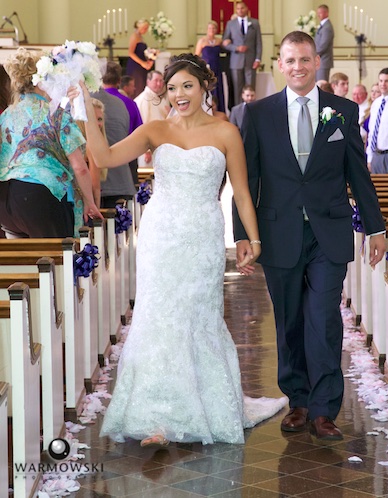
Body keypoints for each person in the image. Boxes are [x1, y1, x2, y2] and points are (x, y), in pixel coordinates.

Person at [70, 53, 287, 446]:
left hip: (202, 235)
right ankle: (156, 417)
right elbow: (103, 158)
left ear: (205, 86)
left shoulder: (226, 133)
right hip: (160, 234)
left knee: (196, 316)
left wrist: (252, 241)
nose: (179, 94)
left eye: (187, 85)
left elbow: (241, 193)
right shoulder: (155, 129)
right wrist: (87, 106)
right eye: (171, 88)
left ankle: (200, 405)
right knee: (157, 316)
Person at [233, 31, 386, 440]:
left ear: (316, 62)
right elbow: (246, 180)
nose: (298, 67)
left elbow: (358, 173)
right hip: (277, 230)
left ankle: (323, 409)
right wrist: (241, 236)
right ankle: (297, 400)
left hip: (328, 231)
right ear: (279, 65)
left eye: (305, 59)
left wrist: (375, 227)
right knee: (289, 321)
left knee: (323, 317)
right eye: (290, 60)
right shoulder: (259, 113)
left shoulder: (342, 110)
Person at [0, 48, 102, 238]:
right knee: (59, 261)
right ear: (41, 81)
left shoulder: (6, 115)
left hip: (6, 201)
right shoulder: (55, 113)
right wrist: (90, 202)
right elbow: (80, 167)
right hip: (41, 194)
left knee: (23, 264)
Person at [102, 61, 143, 185]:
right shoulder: (130, 103)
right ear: (119, 80)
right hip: (126, 161)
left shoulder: (92, 101)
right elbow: (139, 133)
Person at [223, 1, 262, 107]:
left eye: (242, 8)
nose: (240, 10)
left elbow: (258, 42)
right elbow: (225, 42)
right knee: (237, 89)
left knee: (250, 87)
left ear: (247, 9)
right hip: (236, 61)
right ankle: (238, 112)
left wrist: (258, 59)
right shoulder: (230, 24)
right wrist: (236, 48)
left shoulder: (254, 23)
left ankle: (252, 110)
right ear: (236, 10)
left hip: (251, 59)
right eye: (238, 9)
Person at [76, 98, 108, 207]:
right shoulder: (91, 146)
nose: (98, 124)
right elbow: (95, 187)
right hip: (83, 204)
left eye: (99, 119)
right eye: (93, 119)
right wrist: (96, 214)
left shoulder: (75, 143)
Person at [134, 70, 170, 168]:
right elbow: (142, 125)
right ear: (148, 81)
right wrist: (146, 151)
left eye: (161, 81)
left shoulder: (160, 99)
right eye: (156, 80)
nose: (159, 84)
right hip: (148, 149)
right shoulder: (144, 99)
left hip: (162, 146)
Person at [195, 20, 225, 113]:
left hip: (217, 68)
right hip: (207, 69)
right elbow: (196, 55)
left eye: (214, 28)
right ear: (207, 29)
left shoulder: (219, 41)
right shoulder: (202, 41)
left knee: (218, 89)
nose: (212, 30)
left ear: (216, 30)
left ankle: (219, 110)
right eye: (210, 28)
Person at [126, 19, 155, 99]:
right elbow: (130, 53)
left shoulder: (141, 37)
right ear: (139, 26)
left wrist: (149, 59)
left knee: (141, 86)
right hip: (135, 66)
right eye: (144, 27)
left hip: (142, 67)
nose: (145, 30)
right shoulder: (134, 36)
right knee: (137, 87)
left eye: (147, 28)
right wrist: (142, 63)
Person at [314, 4, 334, 82]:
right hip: (320, 60)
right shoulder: (323, 26)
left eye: (320, 13)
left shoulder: (327, 27)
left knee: (322, 84)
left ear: (326, 13)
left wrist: (313, 53)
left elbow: (323, 45)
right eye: (318, 13)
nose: (318, 15)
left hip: (323, 61)